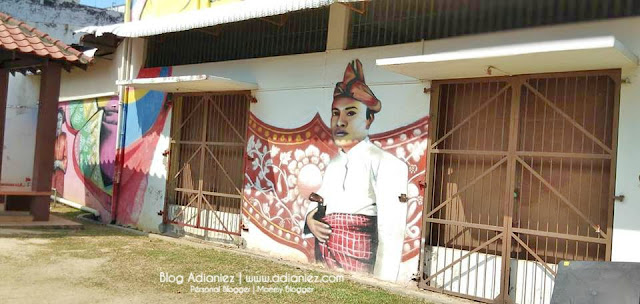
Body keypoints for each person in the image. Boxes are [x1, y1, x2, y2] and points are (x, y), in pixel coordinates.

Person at [303, 59, 409, 282]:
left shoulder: (386, 164)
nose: (339, 122)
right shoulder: (334, 163)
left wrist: (382, 285)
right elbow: (322, 201)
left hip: (360, 266)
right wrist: (311, 219)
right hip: (327, 262)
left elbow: (391, 234)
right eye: (335, 113)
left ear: (369, 119)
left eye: (350, 113)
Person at [52, 108, 67, 196]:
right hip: (50, 172)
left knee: (58, 193)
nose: (58, 123)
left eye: (60, 120)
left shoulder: (64, 137)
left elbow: (66, 157)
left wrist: (59, 163)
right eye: (56, 120)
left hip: (59, 172)